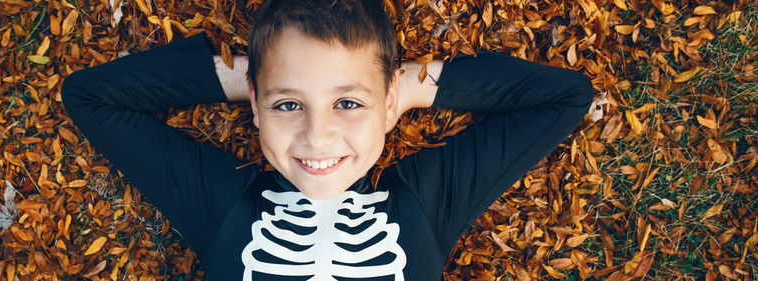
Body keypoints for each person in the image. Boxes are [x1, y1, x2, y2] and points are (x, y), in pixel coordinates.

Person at [60, 0, 594, 280]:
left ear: (387, 105)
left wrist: (405, 85)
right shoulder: (226, 205)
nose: (318, 137)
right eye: (288, 105)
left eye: (348, 103)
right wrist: (252, 79)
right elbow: (91, 97)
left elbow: (564, 98)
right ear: (256, 107)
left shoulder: (422, 202)